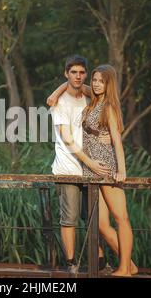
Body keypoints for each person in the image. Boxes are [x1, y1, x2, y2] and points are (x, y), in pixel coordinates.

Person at [49, 64, 137, 276]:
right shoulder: (94, 98)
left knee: (121, 218)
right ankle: (131, 264)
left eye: (101, 81)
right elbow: (74, 83)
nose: (96, 84)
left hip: (105, 167)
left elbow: (117, 141)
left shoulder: (108, 105)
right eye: (95, 80)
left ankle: (125, 269)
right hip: (91, 170)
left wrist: (121, 170)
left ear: (109, 84)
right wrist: (55, 92)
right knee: (100, 224)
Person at [50, 55, 111, 274]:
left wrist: (110, 138)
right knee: (69, 218)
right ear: (66, 73)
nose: (78, 76)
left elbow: (106, 116)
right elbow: (68, 140)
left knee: (94, 217)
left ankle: (100, 262)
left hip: (90, 170)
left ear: (85, 74)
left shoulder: (88, 97)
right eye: (73, 72)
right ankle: (71, 264)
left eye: (81, 72)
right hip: (68, 168)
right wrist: (91, 164)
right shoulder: (59, 103)